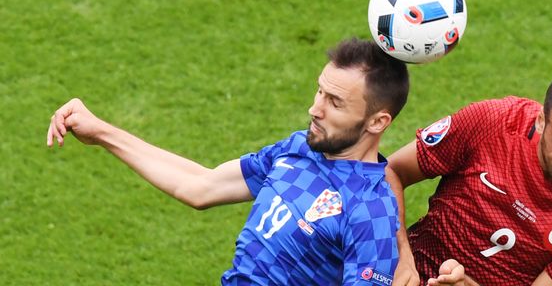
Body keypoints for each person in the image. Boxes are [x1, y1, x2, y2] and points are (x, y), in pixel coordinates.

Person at [46, 38, 410, 286]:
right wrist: (101, 133)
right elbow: (201, 186)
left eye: (335, 102)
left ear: (378, 122)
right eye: (319, 90)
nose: (314, 109)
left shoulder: (371, 210)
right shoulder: (298, 149)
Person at [388, 72, 552, 286]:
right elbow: (392, 171)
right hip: (402, 270)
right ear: (541, 121)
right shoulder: (494, 122)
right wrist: (403, 258)